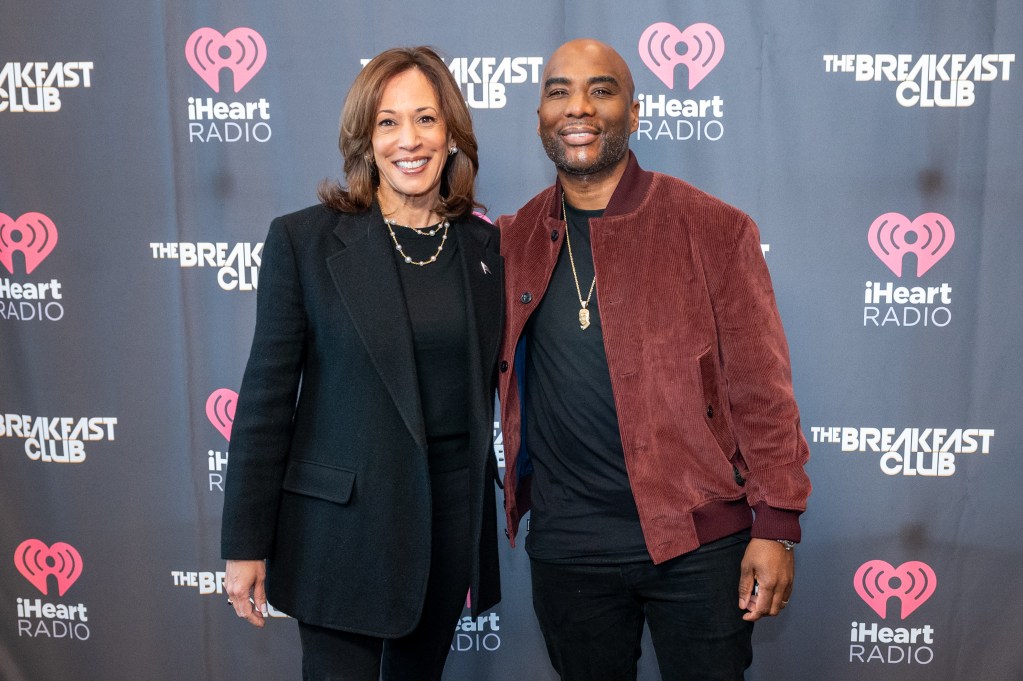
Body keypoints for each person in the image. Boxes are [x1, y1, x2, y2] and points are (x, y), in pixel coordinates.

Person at [496, 39, 811, 680]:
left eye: (601, 89)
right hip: (568, 547)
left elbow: (761, 388)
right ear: (538, 117)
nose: (578, 106)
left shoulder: (713, 228)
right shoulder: (513, 239)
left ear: (634, 113)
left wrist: (775, 523)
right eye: (558, 91)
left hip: (697, 541)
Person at [220, 46, 502, 681]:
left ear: (453, 132)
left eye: (427, 119)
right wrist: (245, 543)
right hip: (339, 530)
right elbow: (265, 402)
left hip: (446, 525)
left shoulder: (486, 247)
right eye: (388, 122)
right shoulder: (305, 240)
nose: (410, 139)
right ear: (364, 139)